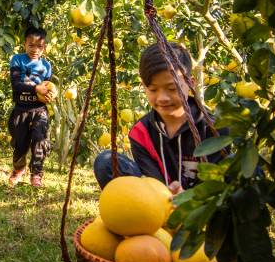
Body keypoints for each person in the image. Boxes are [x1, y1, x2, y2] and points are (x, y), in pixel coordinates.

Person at [94, 42, 225, 192]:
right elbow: (153, 182)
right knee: (106, 162)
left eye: (171, 88)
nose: (162, 98)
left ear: (190, 83)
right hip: (159, 202)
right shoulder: (141, 132)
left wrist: (186, 197)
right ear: (144, 87)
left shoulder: (214, 127)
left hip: (202, 206)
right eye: (153, 89)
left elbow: (216, 183)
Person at [7, 26, 54, 188]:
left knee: (39, 140)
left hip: (39, 110)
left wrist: (49, 95)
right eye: (31, 45)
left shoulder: (47, 66)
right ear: (24, 44)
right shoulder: (17, 60)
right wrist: (35, 88)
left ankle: (36, 174)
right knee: (20, 143)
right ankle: (19, 169)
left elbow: (47, 87)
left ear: (44, 47)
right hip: (21, 109)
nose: (35, 50)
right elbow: (16, 84)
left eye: (39, 46)